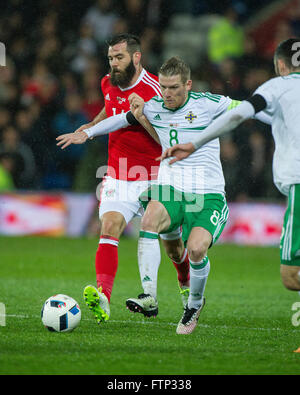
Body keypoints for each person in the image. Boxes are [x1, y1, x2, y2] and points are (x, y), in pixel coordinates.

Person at [58, 56, 271, 334]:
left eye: (173, 88)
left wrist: (283, 114)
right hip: (171, 189)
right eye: (164, 87)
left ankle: (194, 303)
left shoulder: (207, 103)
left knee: (194, 250)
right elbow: (120, 120)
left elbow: (248, 109)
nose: (167, 94)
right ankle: (149, 295)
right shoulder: (154, 106)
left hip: (206, 195)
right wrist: (87, 133)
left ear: (188, 85)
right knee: (148, 221)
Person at [57, 34, 190, 323]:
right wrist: (89, 127)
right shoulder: (109, 83)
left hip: (157, 175)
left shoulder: (156, 89)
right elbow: (111, 108)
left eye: (119, 58)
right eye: (110, 58)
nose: (114, 63)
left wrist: (140, 115)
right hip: (120, 173)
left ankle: (186, 285)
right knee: (109, 225)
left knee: (173, 245)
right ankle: (104, 296)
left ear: (137, 57)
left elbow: (167, 139)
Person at [159, 38, 300, 294]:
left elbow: (239, 113)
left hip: (298, 185)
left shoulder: (277, 86)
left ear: (280, 65)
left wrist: (194, 143)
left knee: (291, 276)